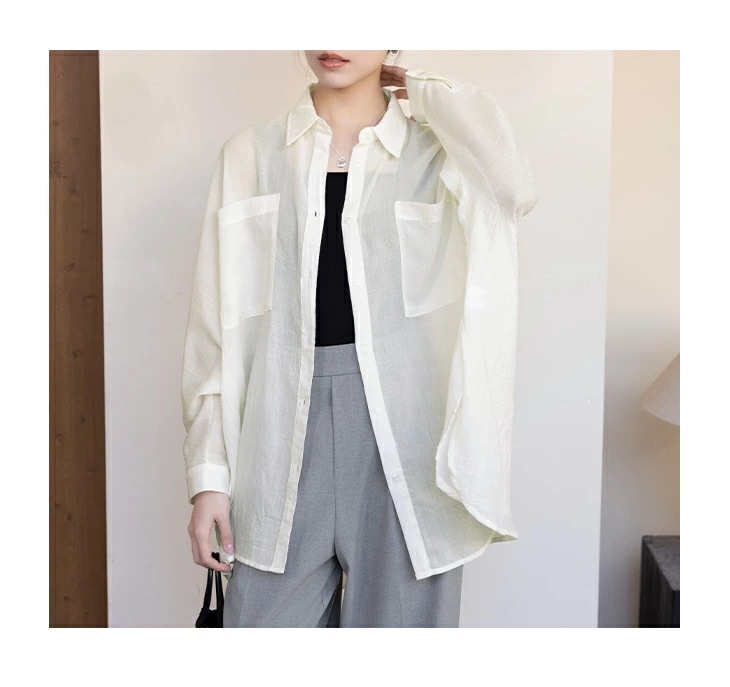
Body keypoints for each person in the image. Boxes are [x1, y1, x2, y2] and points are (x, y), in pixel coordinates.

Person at [181, 50, 537, 627]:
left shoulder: (437, 153)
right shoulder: (251, 154)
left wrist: (423, 88)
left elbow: (511, 189)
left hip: (408, 444)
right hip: (276, 437)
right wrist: (207, 481)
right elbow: (212, 325)